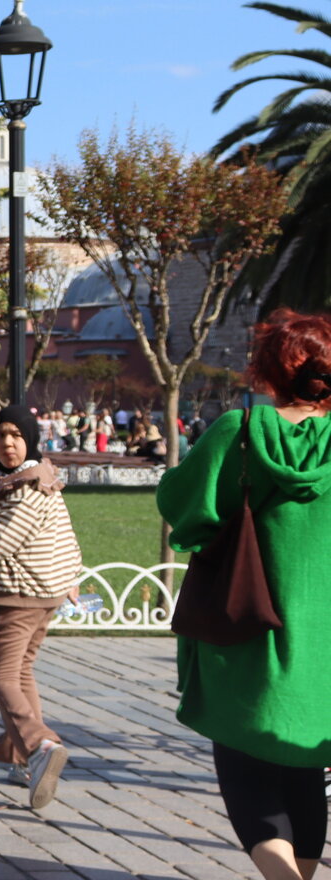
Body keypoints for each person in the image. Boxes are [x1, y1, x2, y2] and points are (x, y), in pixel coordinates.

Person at [157, 308, 331, 880]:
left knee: (246, 766)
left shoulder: (241, 433)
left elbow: (184, 510)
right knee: (307, 765)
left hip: (248, 630)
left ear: (268, 371)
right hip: (323, 648)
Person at [0, 405, 84, 810]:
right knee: (21, 671)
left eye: (16, 435)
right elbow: (67, 535)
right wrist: (71, 576)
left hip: (20, 593)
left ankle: (38, 745)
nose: (7, 443)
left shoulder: (26, 487)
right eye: (0, 436)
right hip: (45, 591)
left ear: (30, 439)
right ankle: (21, 756)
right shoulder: (41, 479)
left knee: (0, 678)